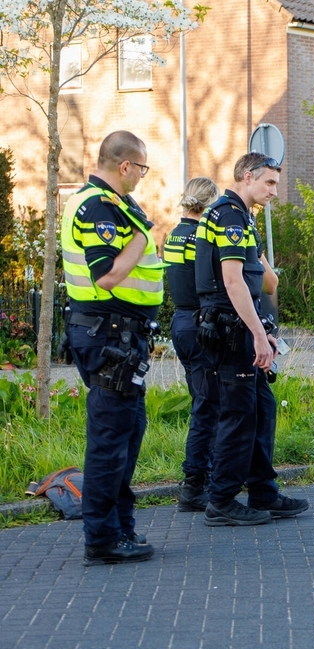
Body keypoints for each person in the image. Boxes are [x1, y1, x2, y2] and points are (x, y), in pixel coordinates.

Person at [60, 130, 161, 565]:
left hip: (122, 335)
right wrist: (144, 231)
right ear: (125, 166)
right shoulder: (98, 206)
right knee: (109, 439)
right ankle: (101, 538)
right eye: (142, 168)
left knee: (128, 432)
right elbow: (107, 276)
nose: (142, 175)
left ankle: (120, 526)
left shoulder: (115, 205)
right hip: (108, 335)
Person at [194, 152, 307, 526]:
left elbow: (258, 283)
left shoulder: (241, 216)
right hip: (230, 333)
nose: (275, 191)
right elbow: (232, 281)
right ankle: (222, 500)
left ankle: (263, 492)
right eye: (270, 182)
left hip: (241, 328)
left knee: (261, 409)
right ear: (246, 176)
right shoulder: (228, 214)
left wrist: (264, 331)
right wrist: (259, 335)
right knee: (239, 416)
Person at [163, 177, 220, 512]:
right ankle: (196, 484)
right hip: (201, 325)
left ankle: (202, 478)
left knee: (204, 403)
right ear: (208, 204)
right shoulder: (200, 237)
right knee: (207, 407)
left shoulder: (174, 234)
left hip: (181, 324)